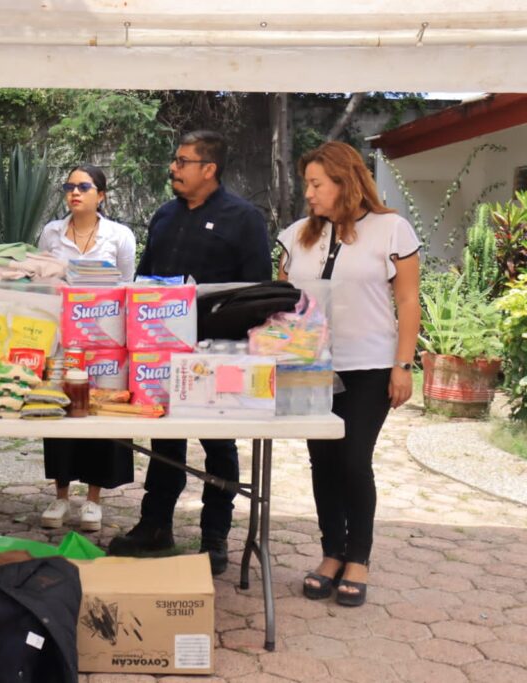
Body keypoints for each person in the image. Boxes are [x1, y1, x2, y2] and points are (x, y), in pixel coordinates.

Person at [107, 131, 272, 575]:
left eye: (182, 162)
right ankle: (155, 525)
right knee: (164, 442)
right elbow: (145, 280)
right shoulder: (164, 216)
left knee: (218, 444)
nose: (173, 169)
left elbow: (258, 290)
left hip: (217, 352)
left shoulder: (244, 218)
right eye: (175, 161)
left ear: (209, 169)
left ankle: (214, 536)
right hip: (160, 353)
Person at [278, 141, 419, 607]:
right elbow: (281, 302)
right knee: (322, 463)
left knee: (354, 460)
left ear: (346, 181)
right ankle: (331, 552)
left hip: (370, 367)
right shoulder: (297, 234)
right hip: (310, 368)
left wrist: (403, 365)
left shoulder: (391, 231)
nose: (310, 195)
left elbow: (407, 302)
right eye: (307, 185)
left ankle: (359, 557)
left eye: (317, 184)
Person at [37, 165, 136, 531]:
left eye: (83, 186)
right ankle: (61, 497)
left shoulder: (119, 235)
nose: (74, 192)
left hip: (106, 339)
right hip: (62, 338)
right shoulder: (51, 232)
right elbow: (41, 277)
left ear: (101, 195)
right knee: (60, 409)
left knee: (102, 413)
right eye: (69, 186)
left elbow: (127, 283)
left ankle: (94, 500)